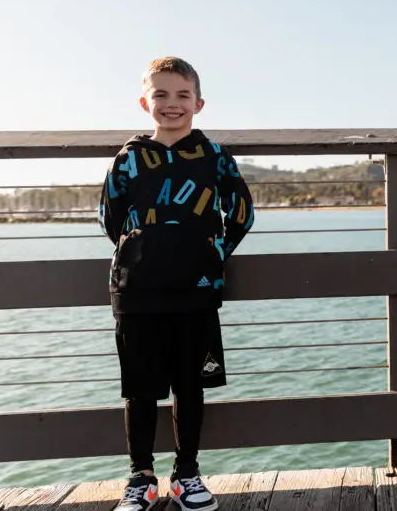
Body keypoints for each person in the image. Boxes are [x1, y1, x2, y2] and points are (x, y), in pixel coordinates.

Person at [99, 57, 254, 511]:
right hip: (137, 290)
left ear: (199, 103)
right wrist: (141, 251)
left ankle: (186, 473)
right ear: (145, 102)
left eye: (183, 95)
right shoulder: (129, 159)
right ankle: (140, 478)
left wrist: (212, 253)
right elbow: (108, 217)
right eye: (162, 95)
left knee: (190, 385)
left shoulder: (213, 156)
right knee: (140, 388)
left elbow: (241, 211)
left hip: (197, 289)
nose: (172, 104)